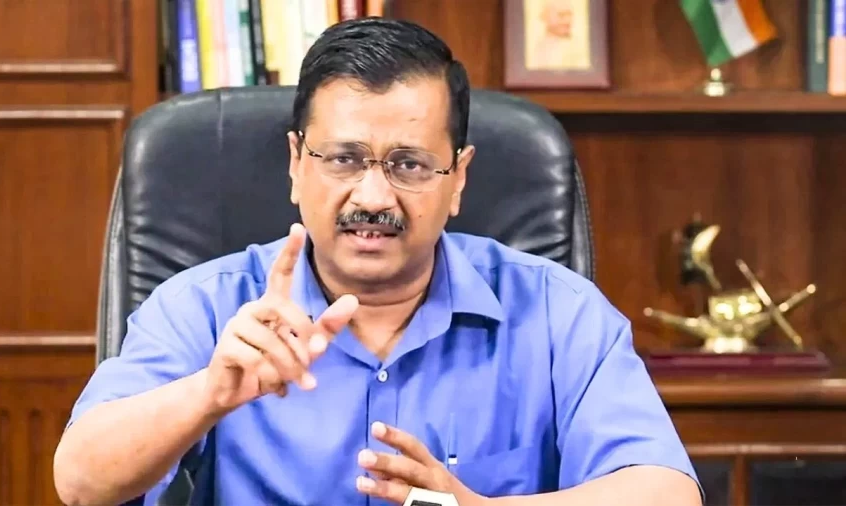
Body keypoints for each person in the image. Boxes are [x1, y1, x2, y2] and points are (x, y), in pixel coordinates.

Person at [53, 17, 703, 506]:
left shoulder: (557, 312)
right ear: (295, 163)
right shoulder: (205, 305)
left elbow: (667, 492)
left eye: (409, 165)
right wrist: (207, 394)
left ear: (458, 179)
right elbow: (80, 482)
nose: (372, 197)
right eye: (344, 159)